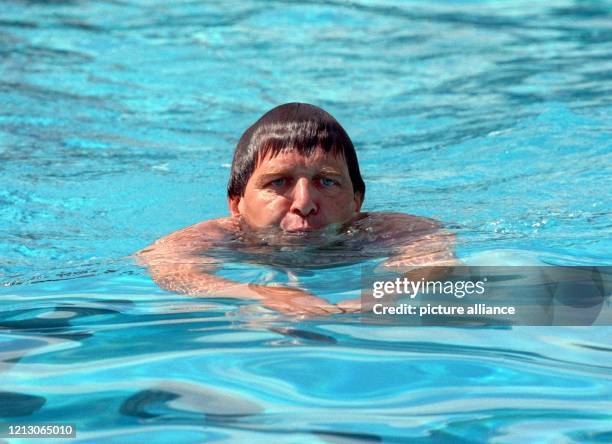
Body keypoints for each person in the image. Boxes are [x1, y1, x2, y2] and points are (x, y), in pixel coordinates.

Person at [137, 103, 456, 315]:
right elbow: (169, 268)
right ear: (237, 204)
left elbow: (433, 258)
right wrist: (259, 293)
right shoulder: (218, 237)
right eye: (278, 182)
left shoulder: (384, 231)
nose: (304, 203)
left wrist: (381, 296)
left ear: (356, 200)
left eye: (327, 182)